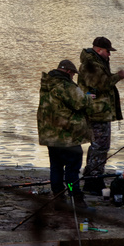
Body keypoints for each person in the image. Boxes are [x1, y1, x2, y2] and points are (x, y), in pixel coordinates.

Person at [37, 59, 89, 200]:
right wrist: (88, 97)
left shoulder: (47, 83)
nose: (73, 77)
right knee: (72, 169)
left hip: (50, 135)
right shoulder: (66, 86)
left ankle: (58, 195)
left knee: (56, 167)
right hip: (67, 136)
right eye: (72, 74)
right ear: (67, 72)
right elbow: (80, 104)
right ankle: (74, 194)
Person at [78, 36, 124, 184]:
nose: (109, 54)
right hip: (97, 113)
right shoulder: (92, 64)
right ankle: (93, 180)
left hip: (100, 112)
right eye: (107, 51)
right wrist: (119, 76)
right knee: (100, 147)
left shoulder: (98, 63)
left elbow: (101, 81)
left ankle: (92, 176)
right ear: (99, 50)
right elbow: (102, 85)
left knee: (99, 146)